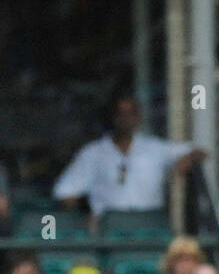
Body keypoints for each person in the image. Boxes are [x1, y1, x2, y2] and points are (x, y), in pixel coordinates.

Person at [53, 92, 205, 219]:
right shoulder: (92, 153)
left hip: (149, 224)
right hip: (109, 229)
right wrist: (84, 217)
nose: (125, 119)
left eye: (131, 113)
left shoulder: (155, 148)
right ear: (112, 117)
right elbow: (64, 192)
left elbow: (199, 150)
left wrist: (187, 158)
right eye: (120, 114)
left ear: (138, 117)